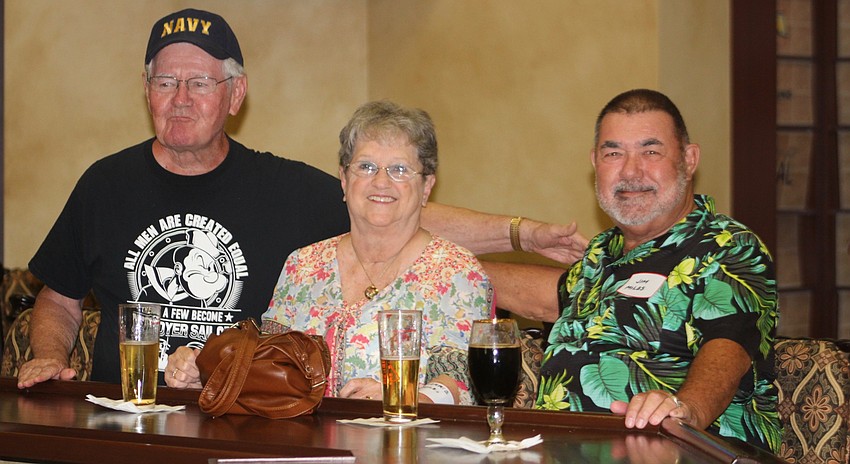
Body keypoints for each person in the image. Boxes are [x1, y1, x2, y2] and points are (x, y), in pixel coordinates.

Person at [18, 8, 586, 390]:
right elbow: (58, 300)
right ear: (147, 92)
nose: (181, 99)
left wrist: (523, 234)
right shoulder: (104, 184)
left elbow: (388, 209)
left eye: (200, 82)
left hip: (237, 425)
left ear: (235, 94)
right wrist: (48, 356)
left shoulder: (284, 189)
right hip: (124, 423)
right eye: (166, 82)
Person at [484, 89, 781, 452]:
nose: (630, 170)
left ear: (689, 160)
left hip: (687, 454)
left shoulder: (727, 247)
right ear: (595, 162)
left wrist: (685, 408)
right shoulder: (602, 252)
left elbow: (728, 348)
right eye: (613, 153)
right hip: (567, 451)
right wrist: (445, 264)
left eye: (650, 151)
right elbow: (548, 297)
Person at [167, 100, 490, 405]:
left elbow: (464, 378)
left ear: (427, 187)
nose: (381, 182)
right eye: (365, 166)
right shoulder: (303, 266)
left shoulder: (457, 271)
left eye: (400, 170)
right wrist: (205, 372)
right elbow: (268, 366)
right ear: (344, 180)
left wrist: (402, 394)